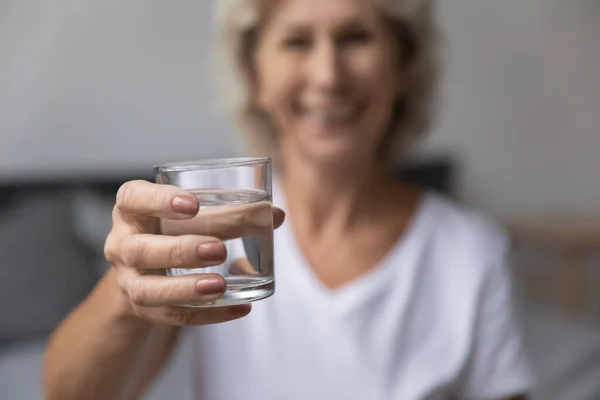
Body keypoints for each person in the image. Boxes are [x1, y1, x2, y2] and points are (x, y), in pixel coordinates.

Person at [44, 0, 534, 399]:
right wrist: (125, 292)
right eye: (297, 41)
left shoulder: (472, 251)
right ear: (254, 76)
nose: (327, 75)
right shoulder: (212, 232)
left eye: (355, 37)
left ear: (403, 67)